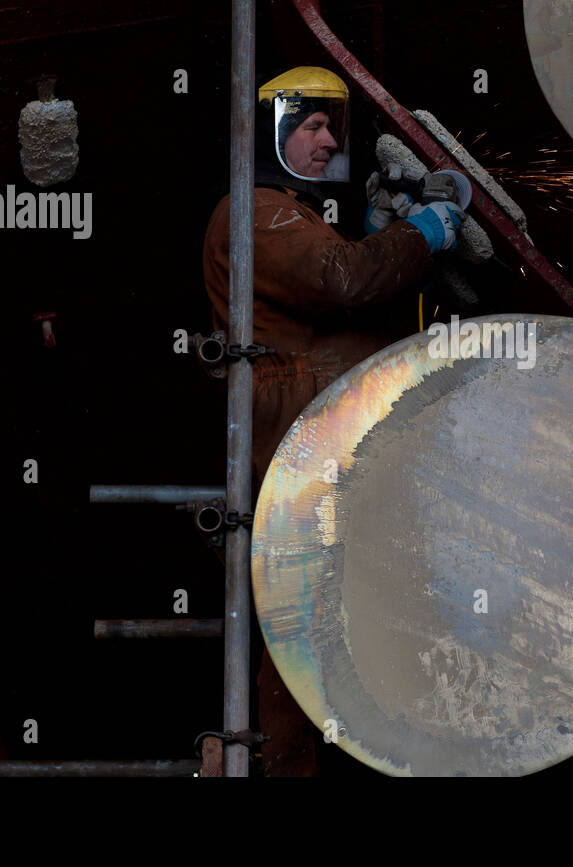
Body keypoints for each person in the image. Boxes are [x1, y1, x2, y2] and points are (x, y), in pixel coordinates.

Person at [201, 66, 463, 775]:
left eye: (332, 131)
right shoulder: (255, 208)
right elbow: (340, 279)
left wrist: (384, 242)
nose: (327, 143)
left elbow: (340, 287)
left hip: (333, 441)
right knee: (309, 626)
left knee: (333, 625)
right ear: (273, 132)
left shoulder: (294, 216)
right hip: (310, 443)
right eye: (311, 126)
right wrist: (419, 235)